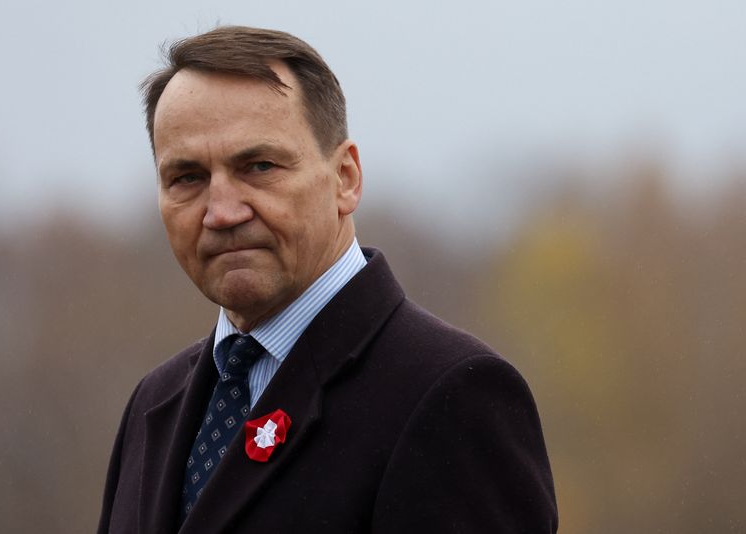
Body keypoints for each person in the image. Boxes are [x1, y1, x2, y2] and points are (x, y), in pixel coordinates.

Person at [98, 26, 558, 534]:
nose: (222, 212)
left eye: (259, 166)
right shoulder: (153, 403)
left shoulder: (451, 396)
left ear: (346, 178)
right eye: (187, 178)